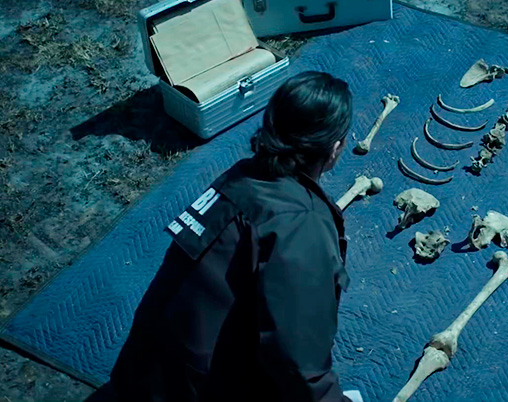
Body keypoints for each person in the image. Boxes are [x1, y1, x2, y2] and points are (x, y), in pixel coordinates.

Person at [86, 71, 360, 402]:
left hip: (142, 370)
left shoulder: (242, 177)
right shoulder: (301, 222)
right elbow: (299, 364)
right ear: (335, 147)